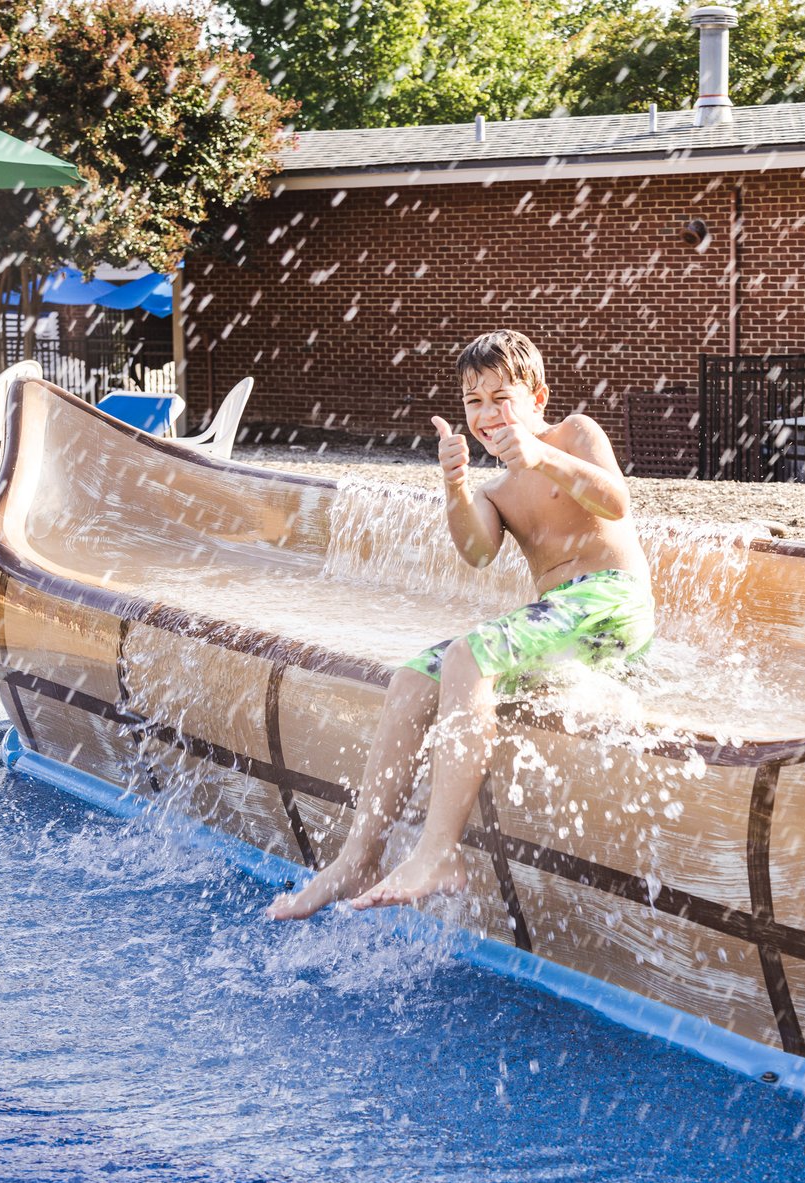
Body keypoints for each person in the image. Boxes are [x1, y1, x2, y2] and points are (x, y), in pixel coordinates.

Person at [268, 329, 653, 920]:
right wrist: (455, 485)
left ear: (538, 397)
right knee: (415, 675)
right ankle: (359, 855)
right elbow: (475, 551)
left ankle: (439, 851)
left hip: (610, 602)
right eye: (474, 401)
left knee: (469, 656)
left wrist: (544, 455)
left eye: (502, 397)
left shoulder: (573, 434)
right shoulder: (497, 489)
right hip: (560, 626)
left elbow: (615, 503)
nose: (487, 413)